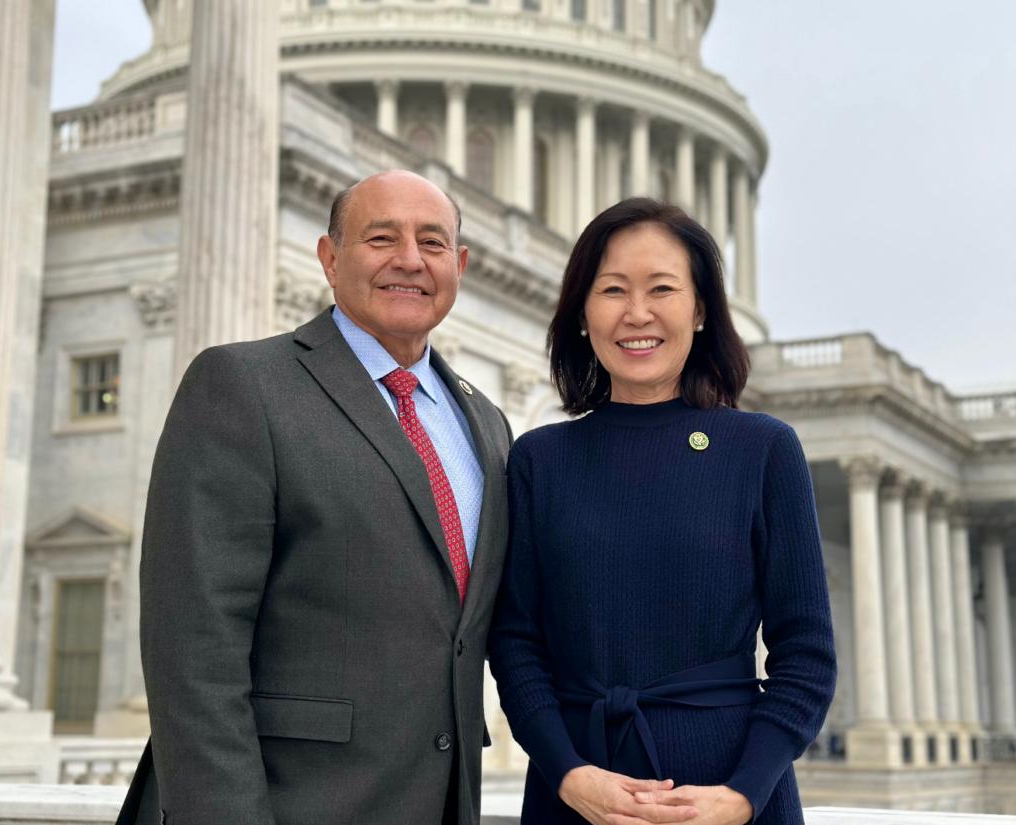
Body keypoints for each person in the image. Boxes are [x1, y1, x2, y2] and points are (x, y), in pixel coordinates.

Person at [116, 170, 513, 825]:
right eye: (382, 238)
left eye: (433, 243)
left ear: (460, 265)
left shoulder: (487, 423)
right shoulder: (244, 385)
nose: (410, 260)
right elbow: (194, 651)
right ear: (329, 257)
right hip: (290, 805)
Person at [488, 198, 836, 825]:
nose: (637, 313)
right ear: (583, 312)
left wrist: (742, 795)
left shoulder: (763, 449)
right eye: (612, 289)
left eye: (662, 289)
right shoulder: (541, 459)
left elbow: (806, 651)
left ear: (700, 310)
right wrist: (569, 775)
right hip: (578, 798)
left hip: (729, 798)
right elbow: (515, 640)